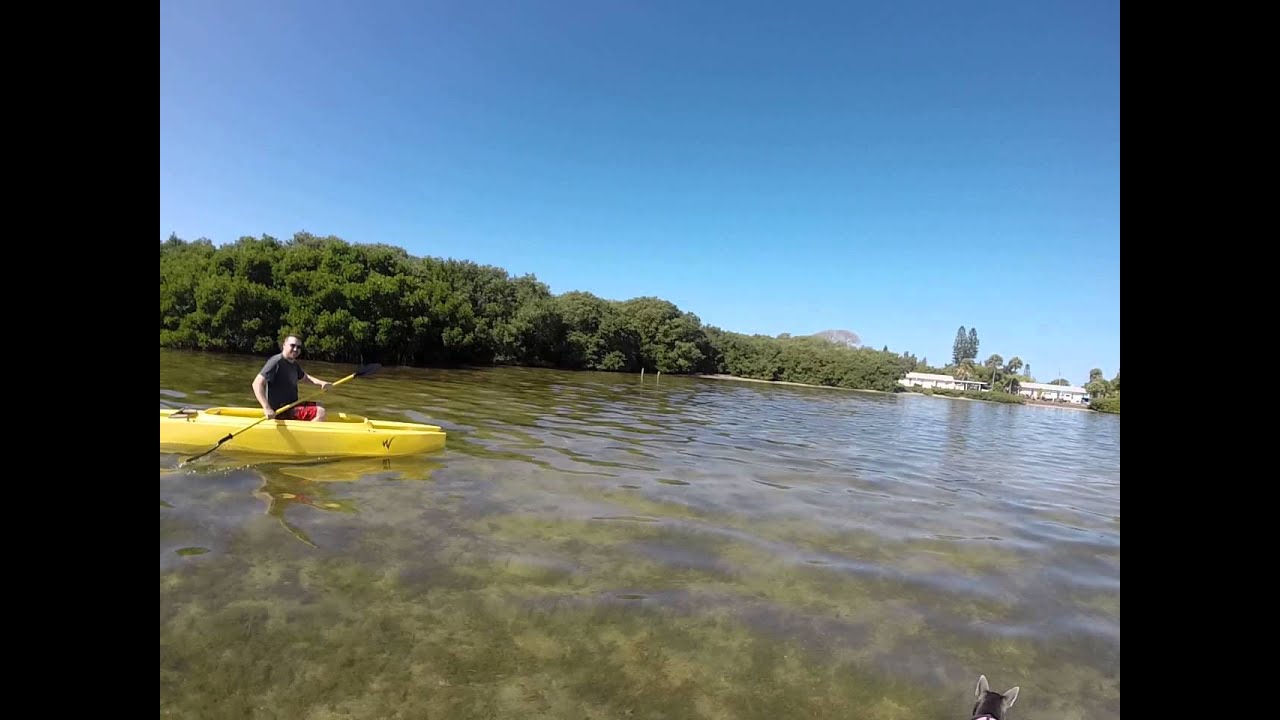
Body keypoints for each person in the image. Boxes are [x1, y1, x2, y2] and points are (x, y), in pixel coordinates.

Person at [252, 335, 333, 421]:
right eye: (292, 345)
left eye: (298, 347)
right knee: (320, 412)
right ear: (284, 345)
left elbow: (305, 377)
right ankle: (302, 433)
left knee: (319, 404)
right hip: (281, 411)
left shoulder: (294, 364)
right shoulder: (276, 362)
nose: (295, 349)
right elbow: (257, 383)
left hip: (292, 406)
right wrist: (266, 408)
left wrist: (322, 383)